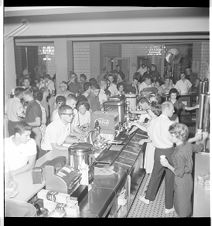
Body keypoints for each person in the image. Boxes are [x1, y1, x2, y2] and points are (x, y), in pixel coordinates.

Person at [160, 123, 207, 217]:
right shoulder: (187, 145)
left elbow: (178, 172)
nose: (169, 136)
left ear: (177, 137)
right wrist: (203, 139)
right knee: (184, 201)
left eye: (171, 135)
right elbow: (199, 147)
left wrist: (167, 164)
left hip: (181, 181)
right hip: (188, 179)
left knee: (182, 206)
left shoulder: (178, 154)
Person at [139, 101, 175, 214]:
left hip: (157, 151)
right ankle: (168, 207)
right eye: (172, 109)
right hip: (169, 152)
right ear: (167, 109)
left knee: (155, 174)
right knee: (170, 178)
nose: (174, 111)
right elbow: (175, 140)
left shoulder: (154, 121)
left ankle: (148, 197)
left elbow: (150, 136)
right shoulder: (171, 123)